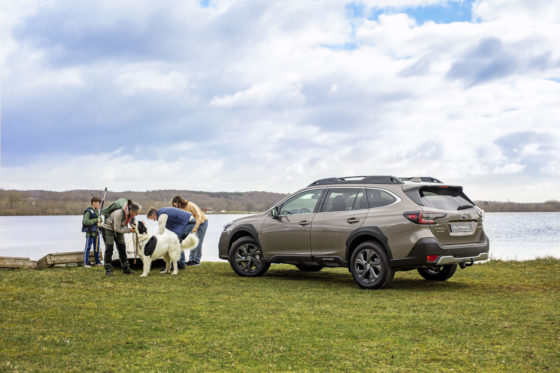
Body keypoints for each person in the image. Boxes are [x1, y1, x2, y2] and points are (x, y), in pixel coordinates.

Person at [101, 200, 141, 276]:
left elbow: (133, 224)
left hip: (120, 228)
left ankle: (126, 269)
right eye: (135, 213)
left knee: (122, 248)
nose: (135, 215)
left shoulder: (131, 215)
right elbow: (117, 229)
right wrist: (129, 230)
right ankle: (108, 270)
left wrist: (137, 225)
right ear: (131, 210)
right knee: (109, 249)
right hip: (108, 228)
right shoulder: (118, 213)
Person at [171, 195, 208, 267]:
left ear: (180, 202)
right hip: (192, 224)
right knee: (192, 241)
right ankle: (191, 260)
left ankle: (196, 260)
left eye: (177, 205)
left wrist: (196, 227)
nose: (177, 207)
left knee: (198, 242)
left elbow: (198, 215)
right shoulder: (180, 209)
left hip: (202, 223)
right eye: (175, 206)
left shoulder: (190, 205)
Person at [82, 196, 103, 267]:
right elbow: (85, 221)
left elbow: (100, 220)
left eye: (99, 203)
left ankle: (98, 262)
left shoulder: (98, 211)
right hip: (90, 233)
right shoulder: (88, 211)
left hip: (97, 233)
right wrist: (96, 220)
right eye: (98, 203)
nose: (99, 204)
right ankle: (86, 263)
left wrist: (100, 221)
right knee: (88, 248)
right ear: (93, 203)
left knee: (97, 247)